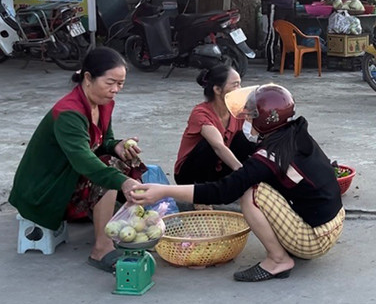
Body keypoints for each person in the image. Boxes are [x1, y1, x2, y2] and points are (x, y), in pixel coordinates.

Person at [132, 84, 344, 282]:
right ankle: (286, 248)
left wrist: (164, 191)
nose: (248, 120)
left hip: (315, 239)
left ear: (266, 120)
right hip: (333, 222)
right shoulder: (294, 132)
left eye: (252, 116)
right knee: (259, 185)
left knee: (252, 193)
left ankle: (278, 260)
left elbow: (223, 192)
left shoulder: (270, 155)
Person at [9, 47, 142, 273]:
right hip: (45, 188)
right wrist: (123, 182)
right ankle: (101, 248)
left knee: (124, 159)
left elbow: (104, 140)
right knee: (109, 171)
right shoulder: (69, 113)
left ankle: (108, 217)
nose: (115, 90)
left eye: (121, 84)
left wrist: (117, 144)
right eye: (110, 82)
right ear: (88, 78)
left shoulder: (103, 103)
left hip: (69, 174)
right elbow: (84, 161)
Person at [174, 65, 256, 185]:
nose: (240, 89)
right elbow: (218, 146)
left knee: (246, 140)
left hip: (218, 168)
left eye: (240, 84)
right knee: (209, 145)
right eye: (235, 85)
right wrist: (244, 173)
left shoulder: (237, 111)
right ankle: (200, 195)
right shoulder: (200, 113)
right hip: (189, 175)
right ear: (217, 90)